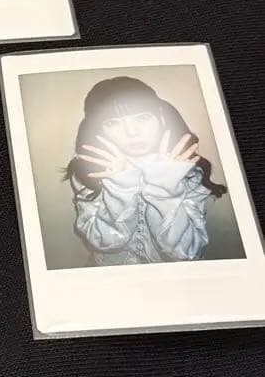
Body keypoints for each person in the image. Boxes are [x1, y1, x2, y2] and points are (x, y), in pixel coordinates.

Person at [65, 77, 227, 266]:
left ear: (161, 117)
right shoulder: (90, 172)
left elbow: (185, 253)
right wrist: (120, 186)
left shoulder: (185, 168)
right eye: (112, 123)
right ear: (98, 129)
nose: (132, 132)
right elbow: (104, 242)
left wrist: (165, 187)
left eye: (142, 117)